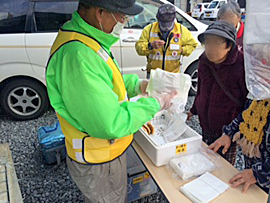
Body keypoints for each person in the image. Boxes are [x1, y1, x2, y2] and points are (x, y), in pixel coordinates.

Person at [46, 0, 176, 202]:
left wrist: (138, 85)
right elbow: (111, 123)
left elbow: (105, 84)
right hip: (99, 159)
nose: (123, 23)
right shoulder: (79, 55)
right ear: (100, 13)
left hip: (104, 154)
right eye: (122, 17)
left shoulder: (88, 39)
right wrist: (155, 103)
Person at [187, 21, 248, 165]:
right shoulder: (203, 61)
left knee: (223, 167)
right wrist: (194, 109)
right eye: (207, 42)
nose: (210, 48)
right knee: (205, 160)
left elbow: (248, 105)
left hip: (228, 128)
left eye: (216, 43)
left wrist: (232, 132)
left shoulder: (241, 66)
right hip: (206, 122)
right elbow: (201, 88)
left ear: (229, 46)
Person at [209, 99, 270, 193]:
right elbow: (245, 116)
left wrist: (258, 173)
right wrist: (228, 134)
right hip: (251, 173)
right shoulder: (260, 94)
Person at [135, 4, 198, 78]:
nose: (166, 27)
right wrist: (150, 45)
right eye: (163, 24)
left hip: (173, 75)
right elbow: (139, 47)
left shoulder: (181, 30)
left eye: (168, 24)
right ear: (158, 19)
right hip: (154, 75)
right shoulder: (149, 29)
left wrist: (182, 50)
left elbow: (192, 44)